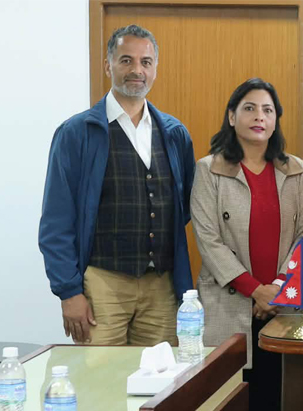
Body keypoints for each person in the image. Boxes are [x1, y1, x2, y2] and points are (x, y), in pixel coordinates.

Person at [190, 78, 303, 411]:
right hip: (229, 302)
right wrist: (253, 289)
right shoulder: (210, 170)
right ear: (232, 116)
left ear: (276, 119)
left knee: (275, 399)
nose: (259, 117)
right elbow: (207, 238)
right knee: (232, 403)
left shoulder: (293, 169)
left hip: (281, 306)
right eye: (249, 108)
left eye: (267, 109)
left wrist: (277, 289)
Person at [39, 24, 195, 345]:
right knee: (100, 375)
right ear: (108, 65)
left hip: (161, 287)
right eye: (126, 60)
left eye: (145, 62)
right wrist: (68, 292)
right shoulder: (76, 134)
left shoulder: (174, 134)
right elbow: (56, 222)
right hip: (101, 285)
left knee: (162, 376)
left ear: (155, 69)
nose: (137, 70)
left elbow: (185, 208)